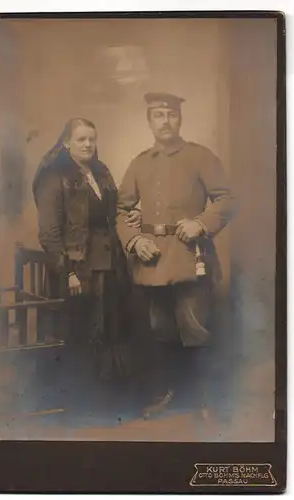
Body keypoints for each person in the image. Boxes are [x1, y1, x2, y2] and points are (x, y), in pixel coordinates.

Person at [116, 92, 236, 416]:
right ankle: (170, 396)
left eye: (170, 114)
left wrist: (201, 223)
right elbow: (121, 210)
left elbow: (226, 200)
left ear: (180, 119)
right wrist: (134, 242)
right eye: (157, 115)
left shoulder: (200, 156)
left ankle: (205, 401)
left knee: (196, 329)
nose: (165, 121)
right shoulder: (140, 163)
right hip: (152, 262)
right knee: (161, 333)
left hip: (189, 258)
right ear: (149, 121)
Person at [32, 117, 141, 382]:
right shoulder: (53, 177)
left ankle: (112, 396)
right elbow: (49, 233)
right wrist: (68, 271)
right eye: (81, 139)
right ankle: (86, 399)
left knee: (112, 327)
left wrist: (133, 216)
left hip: (110, 264)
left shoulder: (100, 171)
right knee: (86, 331)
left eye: (92, 139)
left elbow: (113, 213)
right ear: (67, 142)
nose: (88, 144)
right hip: (78, 269)